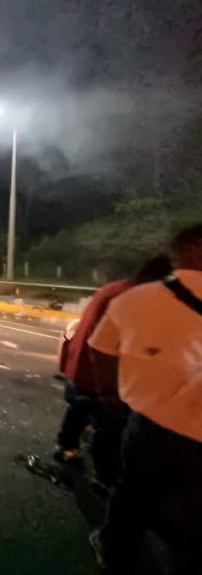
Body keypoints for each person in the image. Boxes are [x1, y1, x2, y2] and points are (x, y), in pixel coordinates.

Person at [88, 225, 202, 574]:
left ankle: (114, 549)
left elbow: (100, 349)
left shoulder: (136, 299)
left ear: (180, 250)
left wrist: (109, 393)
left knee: (133, 492)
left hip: (152, 423)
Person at [54, 255, 173, 487]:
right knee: (108, 426)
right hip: (99, 369)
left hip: (83, 363)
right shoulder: (135, 297)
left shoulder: (116, 288)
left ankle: (66, 446)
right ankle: (104, 476)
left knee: (80, 407)